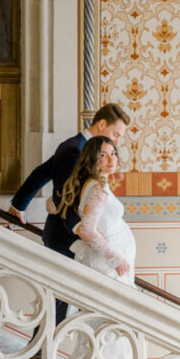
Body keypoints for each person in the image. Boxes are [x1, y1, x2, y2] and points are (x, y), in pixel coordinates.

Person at [8, 102, 130, 325]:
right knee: (59, 300)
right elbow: (65, 199)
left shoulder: (74, 146)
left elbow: (42, 172)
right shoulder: (74, 150)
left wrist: (20, 203)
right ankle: (37, 356)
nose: (116, 142)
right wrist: (82, 231)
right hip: (66, 238)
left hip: (76, 237)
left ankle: (39, 355)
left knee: (66, 301)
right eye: (115, 134)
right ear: (101, 124)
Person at [59, 135, 135, 286]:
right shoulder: (97, 188)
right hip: (108, 265)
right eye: (103, 155)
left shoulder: (96, 184)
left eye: (113, 154)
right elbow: (87, 230)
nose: (111, 159)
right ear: (92, 158)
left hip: (109, 263)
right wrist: (117, 260)